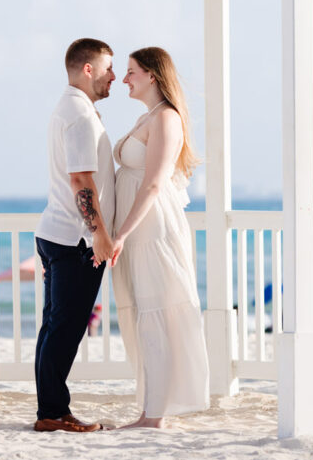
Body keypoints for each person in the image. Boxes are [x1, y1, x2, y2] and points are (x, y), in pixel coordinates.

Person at [110, 46, 209, 429]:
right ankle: (152, 409)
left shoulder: (166, 118)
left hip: (151, 228)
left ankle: (154, 416)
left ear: (152, 75)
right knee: (145, 314)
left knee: (157, 314)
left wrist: (120, 234)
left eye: (131, 71)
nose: (124, 78)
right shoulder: (145, 116)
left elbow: (152, 185)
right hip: (139, 228)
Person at [32, 37, 121, 433]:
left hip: (59, 233)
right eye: (108, 69)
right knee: (64, 329)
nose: (114, 77)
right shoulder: (80, 115)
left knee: (55, 326)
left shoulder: (69, 107)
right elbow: (81, 180)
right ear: (88, 69)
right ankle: (52, 413)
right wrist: (99, 233)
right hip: (75, 240)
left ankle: (51, 409)